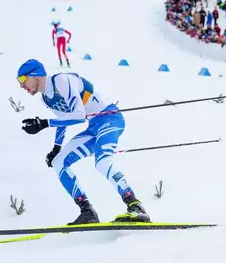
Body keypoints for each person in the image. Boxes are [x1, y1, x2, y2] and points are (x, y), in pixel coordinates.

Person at [16, 59, 150, 225]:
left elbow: (78, 116)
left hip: (110, 118)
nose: (21, 85)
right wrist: (56, 147)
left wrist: (44, 123)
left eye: (22, 80)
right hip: (93, 127)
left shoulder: (61, 81)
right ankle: (87, 212)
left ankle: (135, 206)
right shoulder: (45, 99)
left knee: (102, 162)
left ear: (35, 74)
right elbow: (63, 119)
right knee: (59, 162)